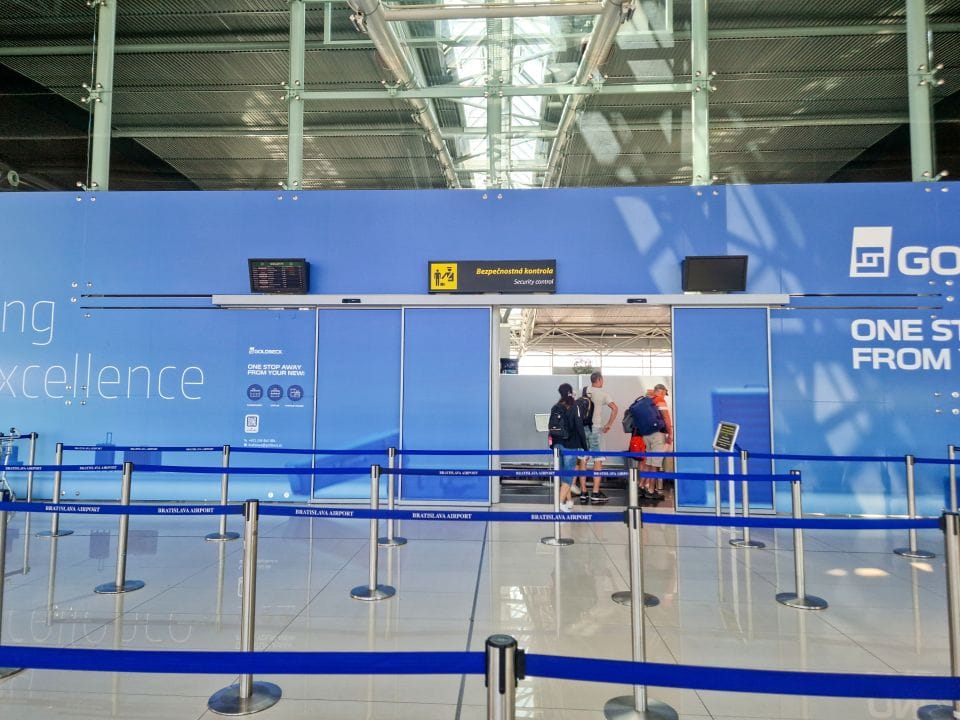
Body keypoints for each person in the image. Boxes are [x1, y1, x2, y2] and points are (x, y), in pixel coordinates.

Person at [547, 383, 588, 511]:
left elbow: (551, 427)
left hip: (557, 444)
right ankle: (558, 504)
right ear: (571, 392)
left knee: (564, 474)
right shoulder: (574, 406)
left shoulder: (556, 407)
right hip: (571, 444)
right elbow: (579, 427)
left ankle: (569, 501)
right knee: (568, 476)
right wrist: (585, 447)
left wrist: (551, 444)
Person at [584, 371, 618, 505]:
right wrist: (609, 424)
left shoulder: (584, 391)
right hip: (596, 429)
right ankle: (596, 492)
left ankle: (582, 492)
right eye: (602, 380)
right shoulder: (603, 394)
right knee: (598, 461)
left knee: (582, 460)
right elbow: (615, 408)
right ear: (599, 380)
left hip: (583, 430)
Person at [639, 384, 672, 501]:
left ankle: (641, 486)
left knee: (648, 461)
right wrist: (670, 434)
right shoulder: (660, 400)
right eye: (664, 393)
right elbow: (667, 419)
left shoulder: (647, 400)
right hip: (657, 435)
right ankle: (651, 490)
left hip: (646, 435)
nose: (664, 395)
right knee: (655, 464)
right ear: (661, 391)